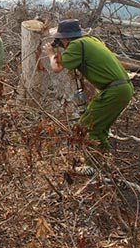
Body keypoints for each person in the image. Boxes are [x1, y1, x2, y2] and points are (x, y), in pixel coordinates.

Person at [42, 19, 133, 150]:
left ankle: (92, 166)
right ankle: (104, 161)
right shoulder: (90, 40)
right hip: (123, 88)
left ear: (65, 39)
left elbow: (56, 68)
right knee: (99, 129)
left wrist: (51, 54)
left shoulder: (76, 45)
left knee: (85, 129)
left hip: (115, 91)